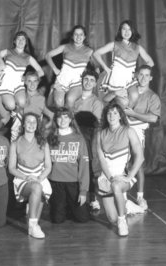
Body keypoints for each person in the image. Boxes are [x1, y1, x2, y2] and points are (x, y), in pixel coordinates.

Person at [96, 102, 144, 236]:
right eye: (109, 113)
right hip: (107, 178)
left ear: (120, 116)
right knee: (112, 219)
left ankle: (123, 222)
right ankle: (127, 205)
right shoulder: (100, 134)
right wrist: (109, 178)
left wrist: (129, 177)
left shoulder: (129, 131)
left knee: (117, 187)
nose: (112, 116)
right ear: (105, 116)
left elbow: (140, 157)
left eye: (115, 113)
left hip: (123, 178)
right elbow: (101, 160)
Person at [123, 65, 161, 210]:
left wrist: (134, 114)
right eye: (141, 75)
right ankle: (123, 197)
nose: (143, 78)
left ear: (151, 78)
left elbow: (153, 118)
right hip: (122, 129)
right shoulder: (128, 91)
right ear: (136, 76)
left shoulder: (153, 96)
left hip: (137, 130)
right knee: (122, 163)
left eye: (147, 75)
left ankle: (140, 196)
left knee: (138, 163)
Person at [9, 112, 52, 238]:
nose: (31, 124)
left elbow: (48, 166)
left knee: (40, 188)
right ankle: (34, 226)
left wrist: (39, 178)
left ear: (37, 125)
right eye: (28, 121)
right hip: (22, 178)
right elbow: (11, 168)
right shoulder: (15, 143)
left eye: (34, 122)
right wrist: (27, 177)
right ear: (23, 124)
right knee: (37, 188)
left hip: (39, 176)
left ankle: (32, 224)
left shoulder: (43, 142)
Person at [93, 19, 154, 109]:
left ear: (132, 31)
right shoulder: (114, 44)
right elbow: (96, 53)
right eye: (124, 29)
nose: (126, 32)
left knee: (134, 96)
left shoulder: (137, 47)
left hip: (129, 79)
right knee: (123, 102)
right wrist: (105, 68)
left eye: (129, 29)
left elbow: (150, 62)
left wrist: (138, 74)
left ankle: (123, 116)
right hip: (116, 79)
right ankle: (119, 116)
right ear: (120, 31)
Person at [47, 107, 90, 223]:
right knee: (57, 220)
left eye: (66, 117)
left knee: (83, 218)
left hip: (73, 183)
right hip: (55, 182)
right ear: (55, 120)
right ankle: (63, 206)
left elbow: (84, 167)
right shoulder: (50, 138)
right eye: (59, 117)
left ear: (71, 119)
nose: (63, 120)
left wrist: (83, 191)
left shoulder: (79, 139)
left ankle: (72, 206)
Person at [72, 68, 104, 211]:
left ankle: (93, 197)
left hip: (89, 139)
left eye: (92, 80)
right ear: (82, 80)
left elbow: (94, 122)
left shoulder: (96, 102)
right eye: (86, 79)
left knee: (91, 168)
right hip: (76, 138)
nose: (88, 82)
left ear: (95, 83)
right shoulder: (75, 101)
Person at [45, 25, 95, 109]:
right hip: (62, 80)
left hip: (77, 81)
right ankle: (60, 120)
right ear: (72, 36)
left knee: (70, 99)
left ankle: (70, 121)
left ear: (84, 36)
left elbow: (96, 67)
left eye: (81, 34)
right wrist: (54, 69)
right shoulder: (65, 47)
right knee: (58, 102)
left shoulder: (89, 51)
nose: (78, 37)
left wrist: (92, 80)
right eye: (76, 34)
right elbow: (48, 55)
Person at [0, 31, 45, 111]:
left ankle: (15, 117)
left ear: (26, 43)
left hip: (18, 83)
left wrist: (26, 77)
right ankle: (6, 112)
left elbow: (41, 72)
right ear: (14, 41)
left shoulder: (28, 57)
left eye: (23, 39)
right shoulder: (7, 51)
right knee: (11, 105)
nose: (21, 41)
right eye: (18, 39)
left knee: (22, 103)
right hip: (5, 83)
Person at [10, 70, 53, 142]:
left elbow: (52, 115)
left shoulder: (41, 98)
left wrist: (44, 127)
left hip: (34, 131)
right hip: (19, 130)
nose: (32, 84)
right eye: (29, 81)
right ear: (25, 82)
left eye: (35, 81)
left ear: (38, 82)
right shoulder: (19, 96)